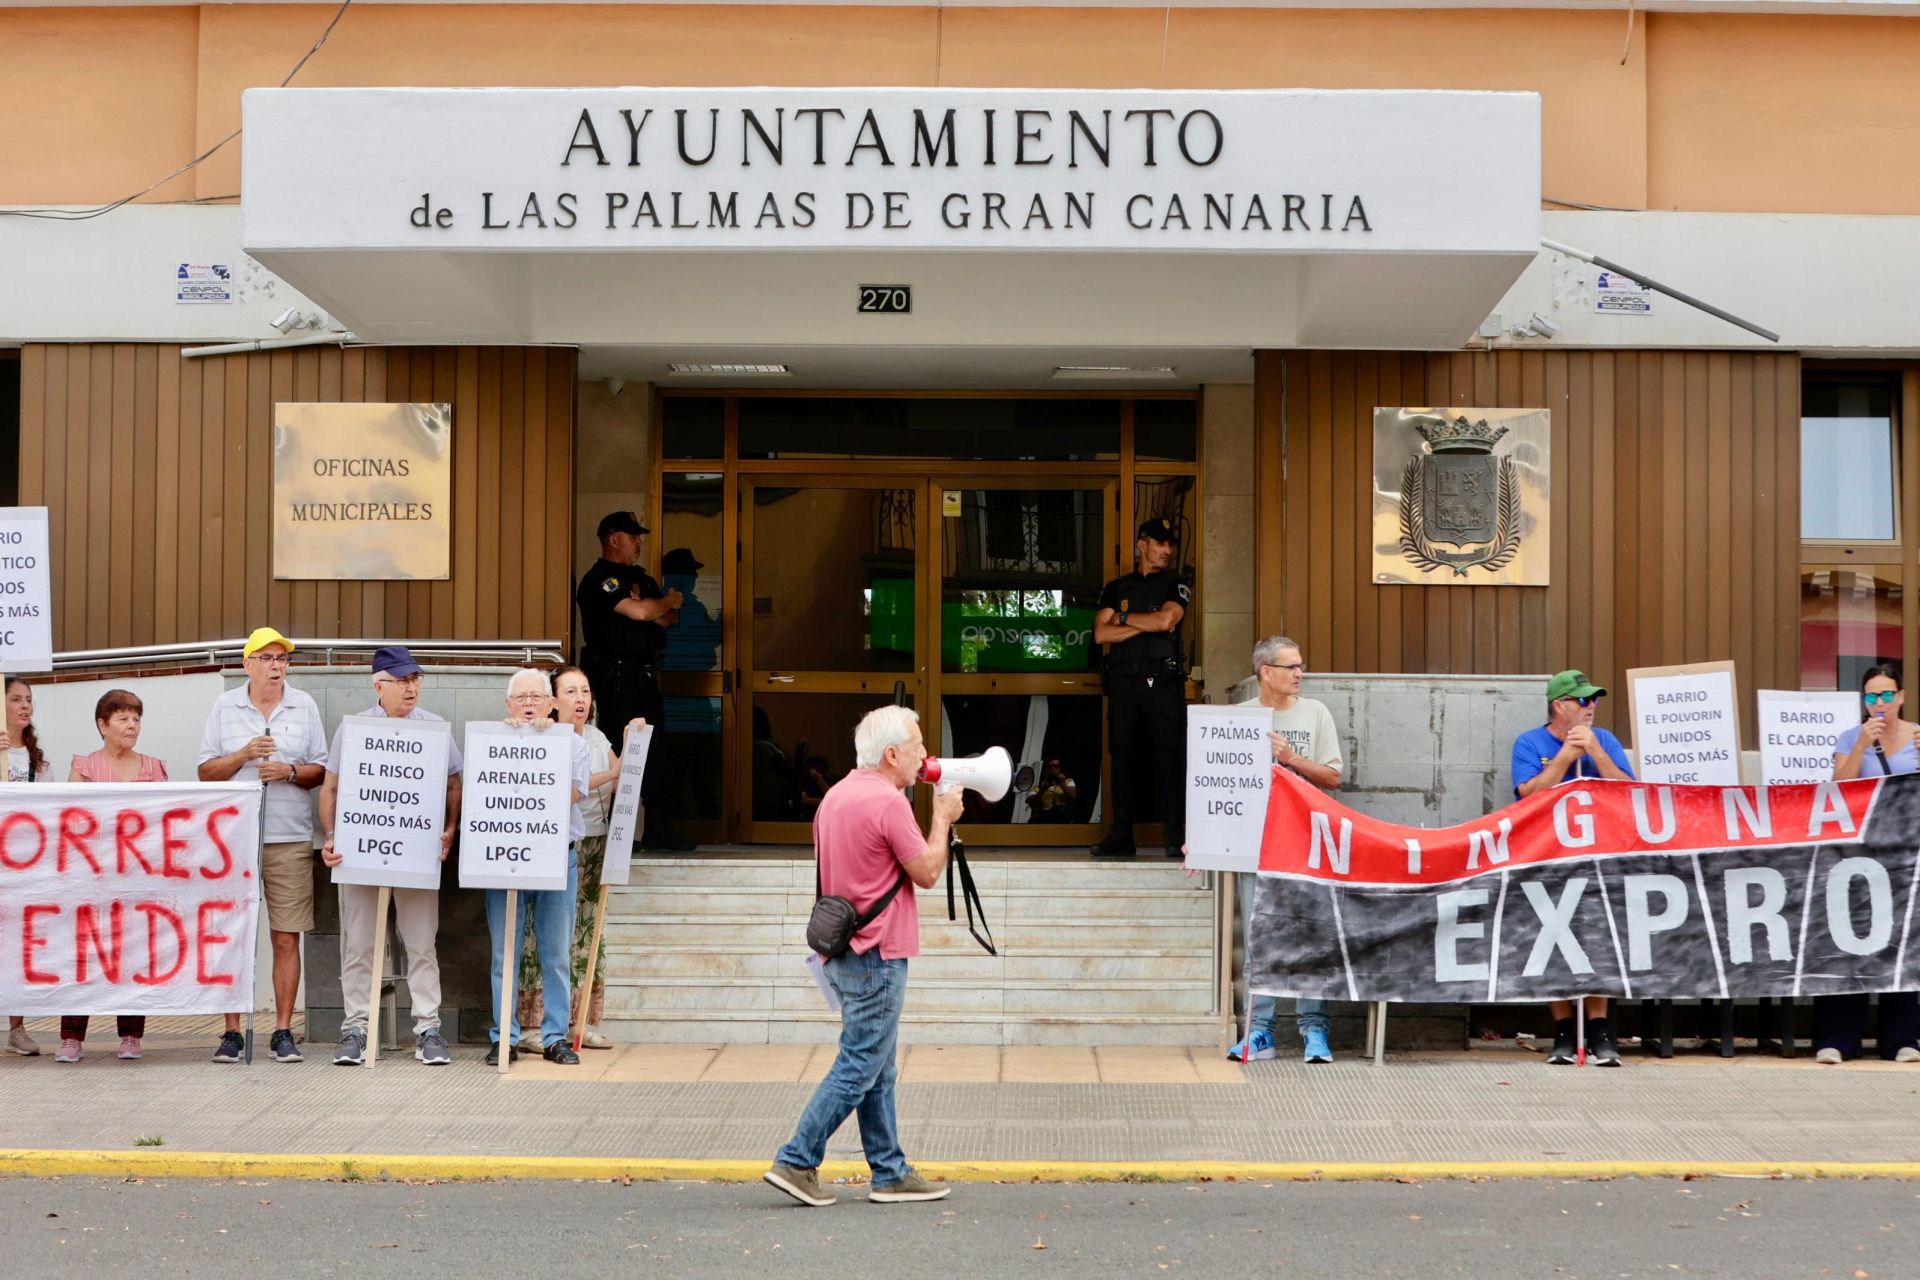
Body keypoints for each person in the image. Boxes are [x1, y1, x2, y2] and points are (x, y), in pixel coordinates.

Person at [765, 705, 961, 1208]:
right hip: (879, 950)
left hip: (843, 947)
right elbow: (927, 872)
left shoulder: (836, 796)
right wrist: (942, 819)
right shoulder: (890, 803)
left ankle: (890, 1171)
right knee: (860, 1064)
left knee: (878, 1065)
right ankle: (797, 1159)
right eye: (917, 745)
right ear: (892, 754)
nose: (924, 754)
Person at [317, 646, 463, 1068]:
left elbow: (454, 784)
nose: (411, 688)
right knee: (359, 946)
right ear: (378, 685)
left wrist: (449, 830)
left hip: (417, 853)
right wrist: (331, 836)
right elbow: (331, 787)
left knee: (421, 944)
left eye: (415, 679)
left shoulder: (435, 728)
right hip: (360, 854)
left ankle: (428, 1029)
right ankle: (356, 1029)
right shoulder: (354, 729)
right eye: (401, 680)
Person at [197, 627, 329, 1064]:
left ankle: (283, 1030)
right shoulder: (225, 706)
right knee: (233, 935)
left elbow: (321, 770)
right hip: (235, 837)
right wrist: (243, 755)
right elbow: (205, 772)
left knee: (286, 935)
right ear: (247, 664)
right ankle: (232, 1031)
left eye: (282, 658)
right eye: (268, 658)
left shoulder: (304, 705)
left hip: (288, 836)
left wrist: (288, 772)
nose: (277, 666)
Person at [1228, 637, 1346, 1064]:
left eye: (1301, 665)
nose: (1299, 673)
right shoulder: (1239, 717)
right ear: (1266, 672)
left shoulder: (1315, 712)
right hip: (1255, 845)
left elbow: (1332, 777)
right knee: (1258, 940)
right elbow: (1216, 781)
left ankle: (1314, 1029)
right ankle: (1259, 1032)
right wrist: (1202, 834)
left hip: (1305, 844)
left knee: (1310, 938)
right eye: (1291, 666)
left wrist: (1290, 757)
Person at [1510, 669, 1635, 1067]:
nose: (1591, 707)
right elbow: (1527, 796)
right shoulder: (1529, 742)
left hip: (1598, 853)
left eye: (1594, 699)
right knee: (1552, 938)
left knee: (1599, 936)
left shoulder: (1605, 740)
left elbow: (1629, 790)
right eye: (1582, 700)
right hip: (1548, 853)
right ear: (1559, 706)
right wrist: (1565, 757)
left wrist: (1596, 753)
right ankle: (1564, 1029)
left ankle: (1599, 1029)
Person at [485, 668, 592, 1066]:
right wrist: (517, 741)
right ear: (508, 704)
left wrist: (543, 745)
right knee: (504, 953)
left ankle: (554, 1037)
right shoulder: (494, 741)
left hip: (557, 855)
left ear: (550, 703)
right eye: (521, 697)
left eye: (536, 697)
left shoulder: (571, 743)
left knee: (556, 953)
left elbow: (574, 793)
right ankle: (504, 1037)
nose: (528, 704)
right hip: (504, 858)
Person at [57, 690, 168, 1063]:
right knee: (83, 952)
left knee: (132, 951)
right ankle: (71, 1037)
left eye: (136, 718)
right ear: (102, 725)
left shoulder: (154, 768)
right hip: (91, 876)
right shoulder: (85, 766)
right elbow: (71, 819)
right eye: (122, 718)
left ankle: (131, 1035)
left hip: (136, 876)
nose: (131, 725)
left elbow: (163, 819)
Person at [1817, 663, 1920, 1065]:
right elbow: (1838, 788)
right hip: (1860, 856)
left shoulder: (1916, 736)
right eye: (1872, 696)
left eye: (1887, 694)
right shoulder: (1850, 737)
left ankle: (1901, 1039)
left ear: (1901, 697)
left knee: (1904, 944)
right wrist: (1861, 745)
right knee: (1852, 942)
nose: (1880, 703)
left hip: (1907, 855)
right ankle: (1840, 1038)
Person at [576, 510, 693, 852]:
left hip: (644, 677)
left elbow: (668, 620)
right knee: (619, 749)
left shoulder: (641, 578)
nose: (639, 542)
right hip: (615, 680)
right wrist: (664, 601)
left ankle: (658, 828)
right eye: (633, 537)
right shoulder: (601, 580)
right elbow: (645, 612)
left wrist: (656, 607)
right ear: (614, 539)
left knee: (656, 751)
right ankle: (618, 835)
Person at [543, 664, 641, 1052]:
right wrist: (616, 768)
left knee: (590, 933)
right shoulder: (547, 737)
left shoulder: (597, 737)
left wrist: (630, 745)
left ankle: (584, 1020)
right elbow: (579, 784)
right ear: (553, 701)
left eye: (585, 691)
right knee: (552, 937)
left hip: (597, 842)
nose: (580, 699)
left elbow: (619, 778)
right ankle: (540, 1022)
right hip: (558, 845)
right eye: (570, 692)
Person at [1090, 516, 1190, 859]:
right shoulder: (1116, 587)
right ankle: (1121, 834)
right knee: (1122, 757)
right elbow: (1101, 634)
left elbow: (1167, 619)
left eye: (1170, 544)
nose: (1167, 550)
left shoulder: (1176, 583)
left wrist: (1121, 618)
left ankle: (1174, 834)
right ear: (1142, 545)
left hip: (1161, 682)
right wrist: (1146, 623)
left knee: (1168, 756)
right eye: (1160, 543)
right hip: (1124, 682)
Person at [5, 676, 48, 1057]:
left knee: (15, 943)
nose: (25, 706)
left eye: (29, 700)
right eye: (16, 699)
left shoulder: (37, 760)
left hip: (20, 861)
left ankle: (16, 1028)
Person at [1025, 758, 1078, 823]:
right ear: (1046, 770)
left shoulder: (1068, 782)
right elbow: (1032, 803)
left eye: (1056, 766)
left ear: (1060, 768)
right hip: (1044, 819)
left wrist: (1062, 783)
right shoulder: (1038, 787)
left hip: (1062, 819)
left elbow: (1072, 796)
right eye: (1050, 767)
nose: (1053, 768)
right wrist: (1043, 789)